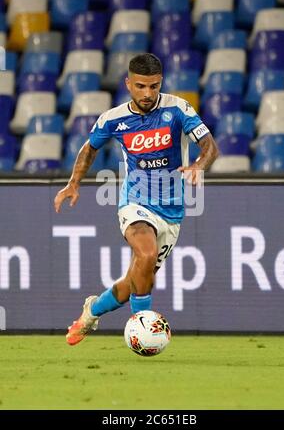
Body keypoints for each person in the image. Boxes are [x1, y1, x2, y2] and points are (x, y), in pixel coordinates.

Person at [54, 53, 219, 346]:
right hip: (135, 201)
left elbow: (209, 146)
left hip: (171, 210)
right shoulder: (114, 118)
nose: (148, 93)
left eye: (154, 86)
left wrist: (197, 166)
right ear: (128, 84)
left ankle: (91, 312)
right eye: (141, 86)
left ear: (161, 83)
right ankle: (141, 328)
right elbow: (89, 148)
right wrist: (73, 184)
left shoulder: (178, 109)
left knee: (135, 282)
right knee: (145, 253)